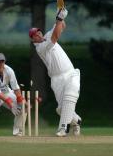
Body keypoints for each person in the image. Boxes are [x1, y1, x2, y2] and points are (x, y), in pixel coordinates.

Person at [29, 8, 82, 137]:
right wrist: (58, 19)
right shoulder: (40, 48)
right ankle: (77, 121)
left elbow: (61, 27)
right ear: (33, 40)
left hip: (70, 73)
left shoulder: (47, 35)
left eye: (38, 32)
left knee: (70, 95)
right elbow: (55, 37)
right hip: (56, 79)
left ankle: (63, 129)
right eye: (35, 35)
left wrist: (61, 17)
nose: (38, 35)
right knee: (61, 109)